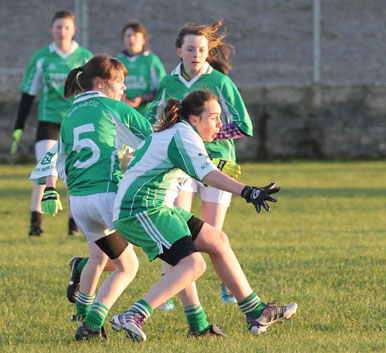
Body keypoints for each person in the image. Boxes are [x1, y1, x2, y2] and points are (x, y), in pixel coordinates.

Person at [109, 91, 297, 342]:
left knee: (216, 240)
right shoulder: (183, 134)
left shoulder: (181, 132)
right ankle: (133, 315)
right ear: (194, 119)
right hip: (140, 210)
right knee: (193, 264)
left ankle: (256, 312)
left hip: (159, 208)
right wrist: (248, 191)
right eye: (215, 118)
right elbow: (206, 175)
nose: (220, 125)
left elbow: (201, 167)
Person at [33, 54, 152, 340]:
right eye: (119, 81)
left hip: (80, 204)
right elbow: (154, 138)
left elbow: (52, 158)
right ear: (100, 83)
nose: (124, 88)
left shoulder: (70, 115)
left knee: (99, 257)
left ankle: (85, 311)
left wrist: (50, 189)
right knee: (133, 263)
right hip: (107, 196)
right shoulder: (112, 107)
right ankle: (93, 323)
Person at [147, 19, 252, 305]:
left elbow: (244, 125)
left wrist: (208, 136)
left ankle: (227, 286)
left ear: (207, 53)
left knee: (212, 235)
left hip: (217, 165)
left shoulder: (220, 82)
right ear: (179, 51)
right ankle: (169, 288)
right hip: (181, 166)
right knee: (175, 229)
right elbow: (153, 120)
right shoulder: (169, 83)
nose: (196, 54)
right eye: (190, 49)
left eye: (201, 49)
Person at [11, 10, 92, 236]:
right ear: (51, 30)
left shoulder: (84, 57)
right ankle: (36, 224)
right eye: (58, 27)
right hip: (48, 120)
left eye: (66, 27)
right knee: (45, 168)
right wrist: (18, 125)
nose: (62, 31)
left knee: (74, 171)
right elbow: (28, 92)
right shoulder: (41, 58)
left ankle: (74, 225)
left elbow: (94, 93)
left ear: (73, 30)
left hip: (75, 121)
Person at [117, 21, 166, 117]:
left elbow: (162, 87)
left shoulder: (151, 60)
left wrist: (142, 99)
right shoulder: (118, 61)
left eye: (135, 35)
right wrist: (121, 97)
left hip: (147, 115)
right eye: (128, 36)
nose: (131, 39)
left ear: (143, 39)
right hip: (124, 114)